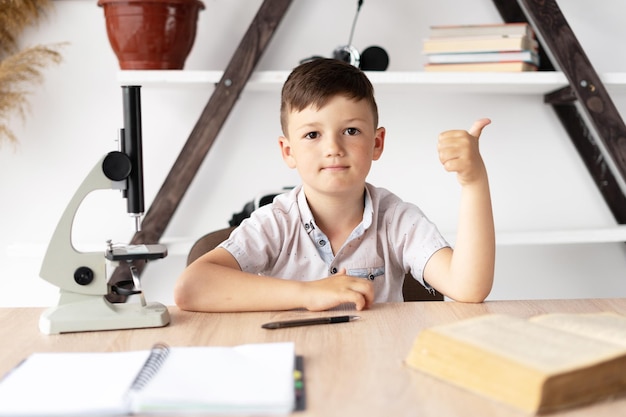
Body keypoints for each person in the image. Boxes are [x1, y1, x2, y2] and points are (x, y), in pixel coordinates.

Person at [174, 58, 495, 312]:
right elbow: (191, 288)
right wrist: (307, 294)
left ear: (377, 143)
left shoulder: (399, 221)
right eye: (313, 135)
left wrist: (474, 182)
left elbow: (468, 287)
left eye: (351, 131)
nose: (333, 148)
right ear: (289, 151)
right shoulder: (274, 223)